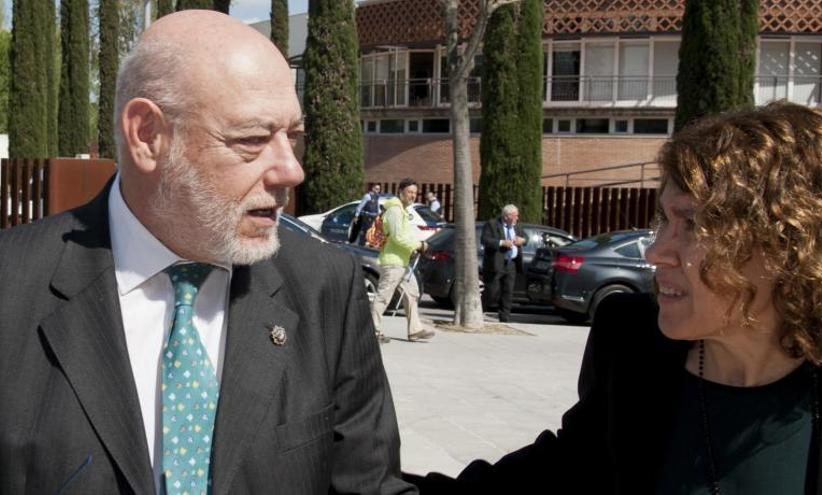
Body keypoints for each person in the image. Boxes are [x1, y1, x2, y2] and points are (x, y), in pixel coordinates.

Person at [0, 11, 414, 495]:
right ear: (147, 135)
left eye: (293, 137)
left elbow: (369, 484)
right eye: (252, 140)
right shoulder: (11, 286)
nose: (291, 170)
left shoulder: (324, 286)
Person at [411, 102, 822, 494]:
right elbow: (555, 474)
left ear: (790, 244)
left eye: (693, 225)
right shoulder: (634, 349)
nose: (656, 252)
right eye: (664, 221)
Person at [371, 178, 433, 343]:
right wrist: (419, 245)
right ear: (401, 192)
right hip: (392, 262)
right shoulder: (395, 211)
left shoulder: (402, 210)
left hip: (402, 263)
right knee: (383, 297)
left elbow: (402, 236)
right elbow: (398, 237)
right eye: (409, 192)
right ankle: (371, 331)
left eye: (415, 193)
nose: (412, 196)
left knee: (412, 293)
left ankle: (415, 330)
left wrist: (414, 247)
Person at [481, 205, 526, 323]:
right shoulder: (492, 224)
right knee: (492, 290)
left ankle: (504, 318)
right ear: (507, 216)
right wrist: (501, 243)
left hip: (511, 264)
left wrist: (523, 240)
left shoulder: (518, 226)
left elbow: (525, 237)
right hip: (496, 263)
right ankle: (479, 310)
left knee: (508, 292)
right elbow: (485, 240)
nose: (517, 218)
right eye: (515, 215)